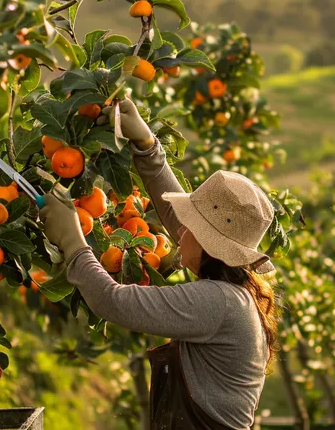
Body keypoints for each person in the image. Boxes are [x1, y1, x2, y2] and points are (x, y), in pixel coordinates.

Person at [39, 97, 279, 430]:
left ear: (211, 246)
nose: (179, 233)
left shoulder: (218, 302)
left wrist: (72, 241)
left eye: (191, 228)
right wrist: (147, 146)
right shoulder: (235, 294)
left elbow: (114, 302)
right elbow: (175, 218)